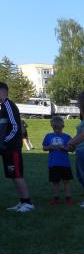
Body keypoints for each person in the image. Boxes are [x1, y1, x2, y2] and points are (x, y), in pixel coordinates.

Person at [0, 82, 34, 212]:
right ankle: (22, 201)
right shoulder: (3, 106)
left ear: (2, 92)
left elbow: (15, 127)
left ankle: (28, 203)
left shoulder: (8, 105)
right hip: (6, 148)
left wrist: (4, 141)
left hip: (12, 147)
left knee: (17, 175)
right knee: (13, 175)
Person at [41, 116, 74, 204]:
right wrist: (50, 147)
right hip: (53, 163)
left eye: (59, 128)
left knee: (66, 181)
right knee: (55, 182)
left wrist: (64, 148)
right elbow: (44, 147)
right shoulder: (48, 136)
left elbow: (72, 149)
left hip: (65, 163)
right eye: (55, 128)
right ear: (52, 127)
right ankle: (56, 198)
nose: (57, 130)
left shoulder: (67, 137)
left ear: (63, 126)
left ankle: (68, 197)